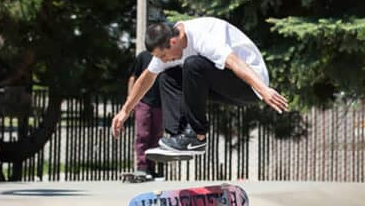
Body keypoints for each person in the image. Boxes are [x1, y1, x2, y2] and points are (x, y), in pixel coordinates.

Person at [110, 17, 289, 155]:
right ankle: (179, 137)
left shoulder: (201, 36)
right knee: (168, 77)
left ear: (173, 42)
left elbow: (234, 62)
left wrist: (264, 89)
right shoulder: (170, 47)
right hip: (222, 83)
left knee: (193, 65)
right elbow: (146, 78)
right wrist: (125, 110)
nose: (164, 60)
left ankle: (196, 136)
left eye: (164, 56)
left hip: (249, 85)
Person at [126, 49, 165, 178]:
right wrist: (131, 99)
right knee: (143, 134)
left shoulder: (167, 54)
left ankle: (151, 167)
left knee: (156, 136)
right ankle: (142, 166)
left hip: (160, 102)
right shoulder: (143, 56)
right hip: (143, 101)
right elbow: (133, 77)